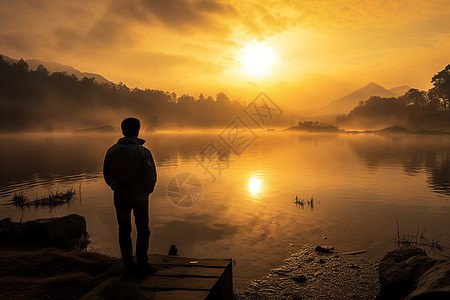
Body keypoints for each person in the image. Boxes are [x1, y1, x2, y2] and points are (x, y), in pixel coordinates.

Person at [103, 117, 157, 277]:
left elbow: (107, 174)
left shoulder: (112, 151)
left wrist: (115, 187)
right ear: (138, 131)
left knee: (124, 229)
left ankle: (128, 265)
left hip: (120, 197)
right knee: (143, 229)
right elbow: (151, 176)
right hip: (139, 197)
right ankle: (142, 263)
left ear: (122, 131)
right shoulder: (143, 152)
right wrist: (146, 191)